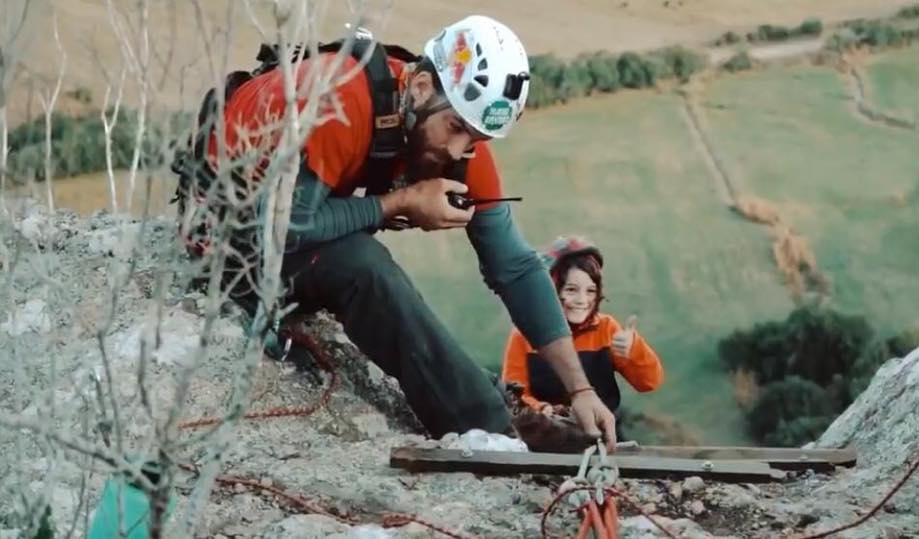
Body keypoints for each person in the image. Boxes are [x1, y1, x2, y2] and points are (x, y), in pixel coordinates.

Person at [177, 15, 618, 449]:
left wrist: (580, 389)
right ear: (422, 87)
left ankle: (494, 401)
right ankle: (487, 430)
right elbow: (284, 225)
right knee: (361, 265)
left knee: (359, 256)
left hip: (288, 227)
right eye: (458, 129)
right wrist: (397, 204)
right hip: (231, 242)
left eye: (479, 138)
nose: (459, 149)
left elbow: (515, 266)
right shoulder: (340, 102)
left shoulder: (444, 123)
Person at [501, 235, 664, 440]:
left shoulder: (606, 329)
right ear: (551, 290)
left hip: (603, 437)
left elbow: (650, 382)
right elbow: (514, 394)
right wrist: (542, 409)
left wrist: (634, 350)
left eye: (591, 291)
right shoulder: (523, 334)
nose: (582, 300)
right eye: (571, 290)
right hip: (546, 439)